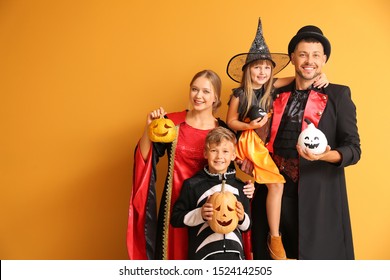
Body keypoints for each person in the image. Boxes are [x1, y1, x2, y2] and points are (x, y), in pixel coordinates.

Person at [250, 25, 361, 260]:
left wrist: (325, 155)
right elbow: (247, 93)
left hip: (318, 199)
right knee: (270, 261)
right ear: (292, 58)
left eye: (315, 55)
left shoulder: (338, 96)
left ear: (324, 60)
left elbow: (353, 149)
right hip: (272, 192)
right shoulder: (272, 92)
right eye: (302, 54)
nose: (309, 60)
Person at [225, 18, 329, 260]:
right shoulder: (240, 94)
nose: (262, 72)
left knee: (274, 186)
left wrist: (322, 75)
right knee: (277, 184)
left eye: (266, 68)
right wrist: (248, 125)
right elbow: (231, 122)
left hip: (263, 144)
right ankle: (275, 238)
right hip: (249, 142)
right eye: (256, 67)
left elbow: (301, 77)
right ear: (247, 70)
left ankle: (274, 236)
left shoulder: (273, 87)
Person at [126, 69, 254, 260]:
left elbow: (232, 170)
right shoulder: (172, 123)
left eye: (205, 91)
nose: (198, 96)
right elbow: (146, 157)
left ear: (215, 97)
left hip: (213, 210)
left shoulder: (224, 130)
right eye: (195, 89)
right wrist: (149, 128)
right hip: (177, 205)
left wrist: (248, 186)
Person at [171, 126, 251, 260]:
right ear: (205, 153)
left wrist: (242, 217)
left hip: (235, 256)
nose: (219, 156)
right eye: (214, 150)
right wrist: (199, 213)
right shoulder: (192, 185)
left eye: (225, 151)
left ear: (233, 155)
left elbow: (247, 227)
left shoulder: (241, 187)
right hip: (203, 256)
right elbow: (176, 219)